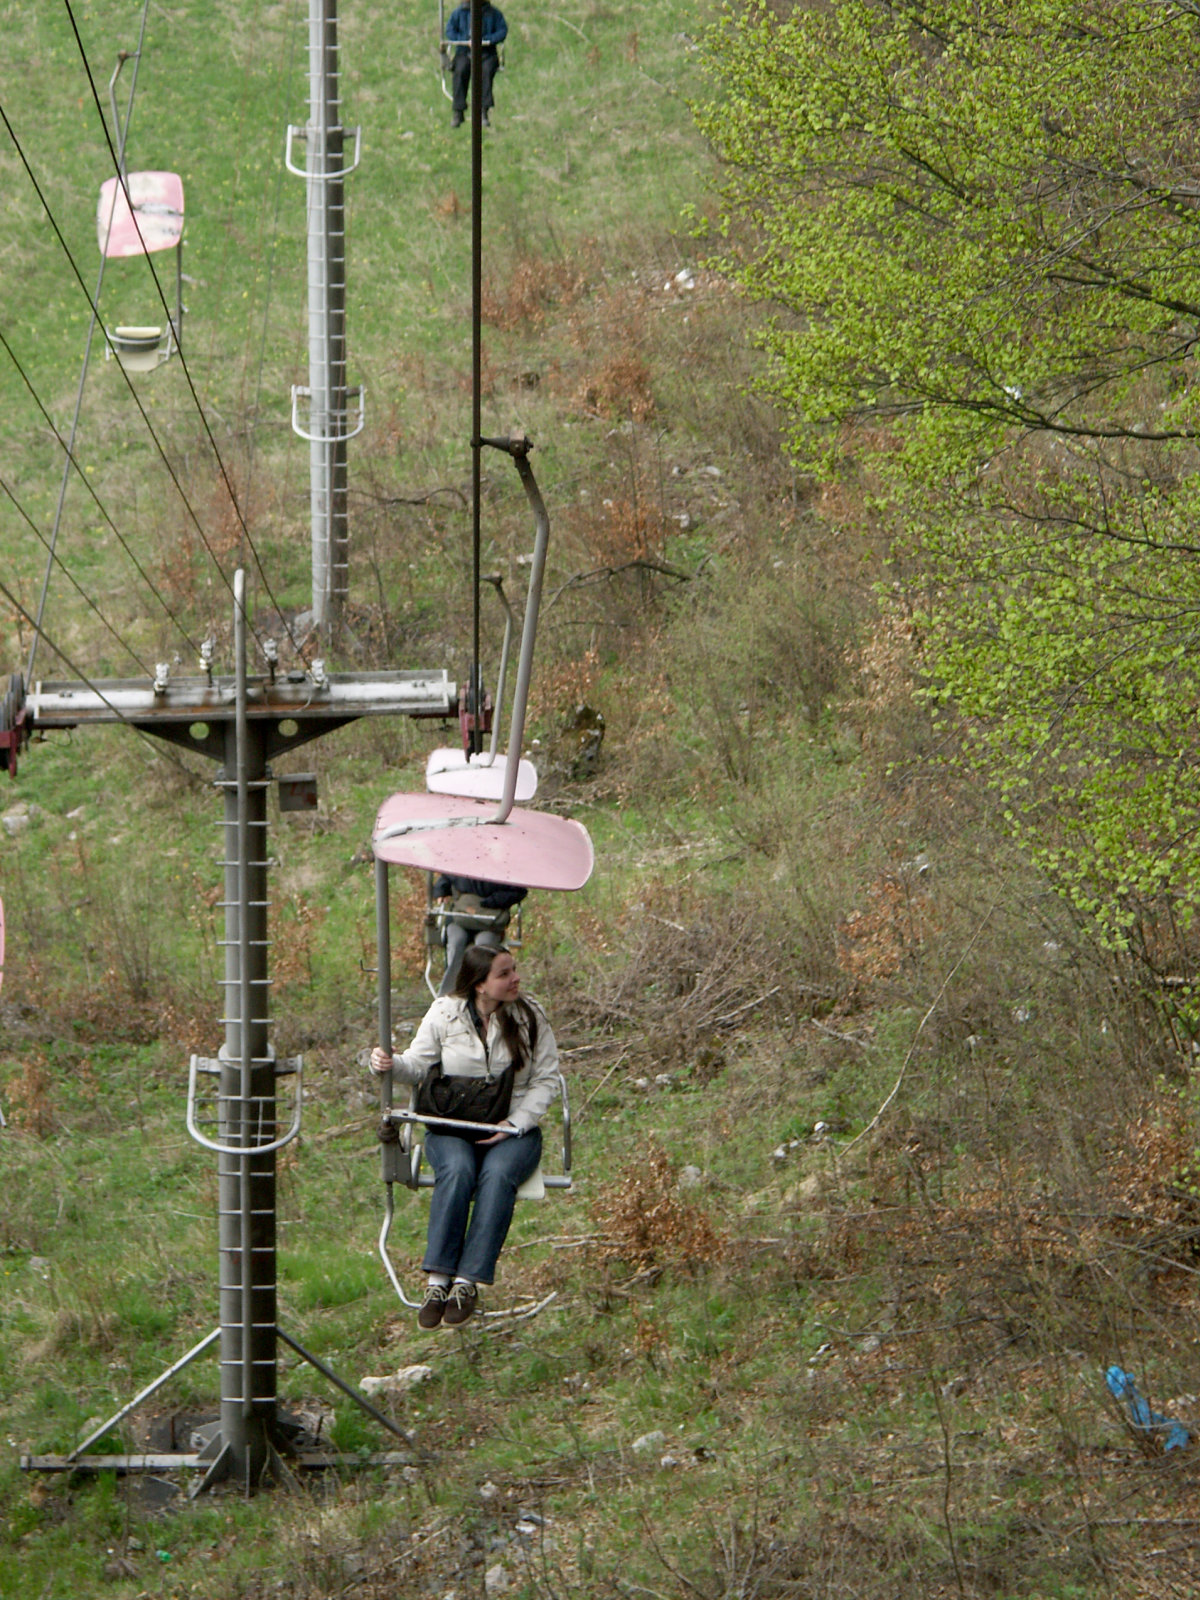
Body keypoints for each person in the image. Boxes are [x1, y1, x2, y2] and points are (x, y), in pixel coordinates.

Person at [370, 944, 559, 1328]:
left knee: (497, 1175)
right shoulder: (445, 1013)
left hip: (512, 1131)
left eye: (514, 970)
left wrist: (514, 1124)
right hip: (453, 1126)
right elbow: (416, 1066)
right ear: (479, 985)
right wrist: (386, 1064)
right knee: (456, 1171)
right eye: (504, 974)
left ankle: (467, 1281)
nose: (516, 979)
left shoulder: (529, 1017)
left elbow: (546, 1079)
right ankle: (438, 1281)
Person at [432, 872, 527, 996]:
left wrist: (491, 902)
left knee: (484, 947)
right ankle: (451, 992)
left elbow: (519, 891)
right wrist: (441, 891)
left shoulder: (503, 870)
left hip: (489, 921)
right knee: (457, 942)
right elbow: (446, 876)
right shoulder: (461, 866)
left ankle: (480, 991)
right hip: (460, 917)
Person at [444, 1, 508, 128]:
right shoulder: (459, 13)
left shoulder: (493, 13)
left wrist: (486, 40)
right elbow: (450, 30)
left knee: (486, 71)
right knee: (460, 70)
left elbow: (502, 31)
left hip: (486, 53)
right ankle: (458, 111)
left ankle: (483, 111)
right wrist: (464, 41)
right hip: (464, 52)